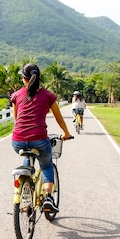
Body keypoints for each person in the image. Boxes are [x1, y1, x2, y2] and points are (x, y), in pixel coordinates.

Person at [10, 63, 72, 213]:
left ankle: (26, 194)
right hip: (39, 139)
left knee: (27, 154)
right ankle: (49, 198)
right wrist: (66, 133)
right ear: (39, 78)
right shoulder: (48, 95)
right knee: (46, 165)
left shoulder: (17, 95)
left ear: (24, 79)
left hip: (17, 140)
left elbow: (17, 119)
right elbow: (59, 119)